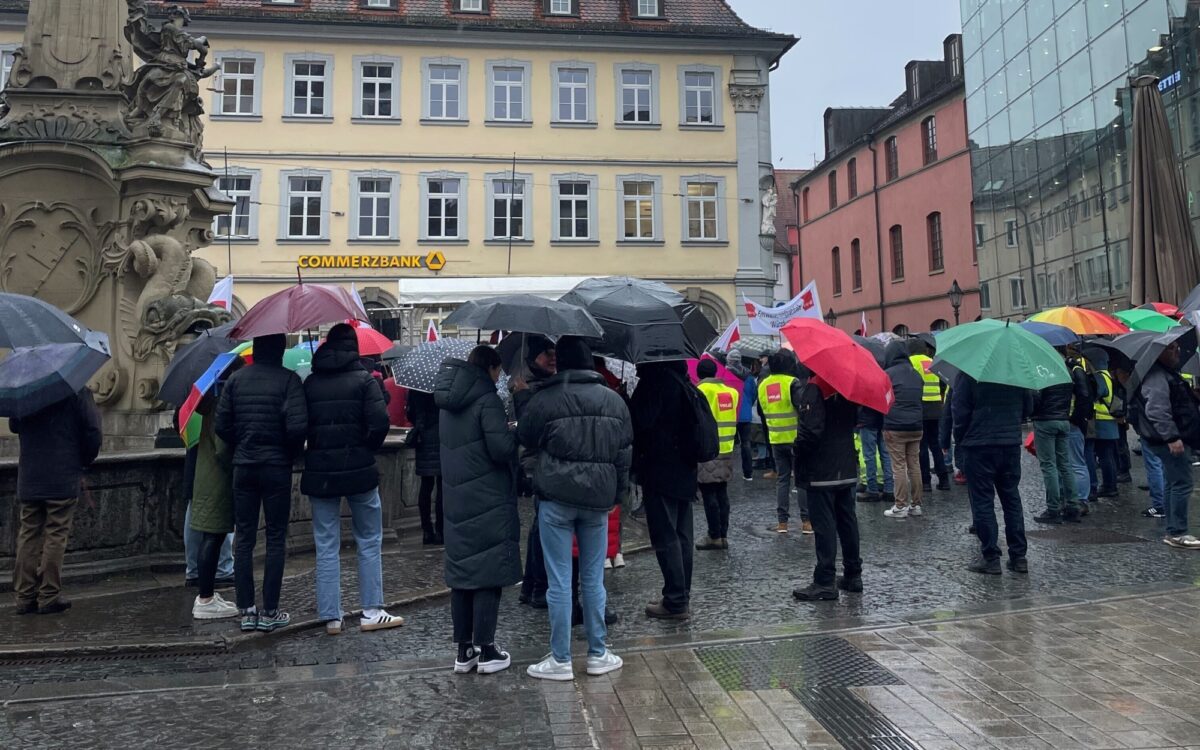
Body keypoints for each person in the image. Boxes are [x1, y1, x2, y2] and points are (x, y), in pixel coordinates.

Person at [519, 336, 631, 680]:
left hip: (556, 498)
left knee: (559, 581)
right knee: (593, 578)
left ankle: (561, 658)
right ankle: (598, 653)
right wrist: (618, 494)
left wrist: (535, 478)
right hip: (598, 501)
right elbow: (624, 454)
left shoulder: (545, 399)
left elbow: (525, 438)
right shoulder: (614, 402)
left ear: (561, 362)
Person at [302, 324, 402, 636]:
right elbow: (380, 422)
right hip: (359, 469)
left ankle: (332, 616)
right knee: (369, 539)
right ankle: (372, 610)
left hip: (321, 472)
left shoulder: (311, 383)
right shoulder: (363, 380)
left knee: (326, 543)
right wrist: (365, 448)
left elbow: (301, 425)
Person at [436, 345, 520, 674]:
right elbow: (500, 450)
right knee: (487, 573)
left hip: (456, 497)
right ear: (490, 369)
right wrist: (513, 431)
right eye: (498, 372)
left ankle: (463, 651)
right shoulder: (487, 401)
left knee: (462, 574)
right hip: (487, 496)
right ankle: (486, 650)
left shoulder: (446, 404)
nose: (499, 378)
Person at [216, 333, 308, 633]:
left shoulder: (236, 380)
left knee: (243, 537)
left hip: (244, 465)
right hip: (276, 467)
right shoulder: (289, 381)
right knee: (276, 538)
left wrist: (242, 443)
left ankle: (247, 609)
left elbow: (222, 425)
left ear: (256, 350)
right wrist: (289, 454)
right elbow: (297, 428)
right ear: (281, 350)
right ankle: (270, 610)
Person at [10, 388, 102, 615]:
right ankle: (49, 595)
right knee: (56, 534)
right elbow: (93, 432)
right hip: (62, 475)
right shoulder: (77, 390)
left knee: (28, 534)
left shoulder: (27, 390)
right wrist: (82, 460)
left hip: (30, 475)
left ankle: (24, 596)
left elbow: (14, 424)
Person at [632, 359, 708, 619]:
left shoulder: (655, 384)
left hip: (660, 470)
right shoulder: (685, 383)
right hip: (685, 470)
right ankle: (681, 595)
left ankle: (675, 601)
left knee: (666, 536)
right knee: (682, 535)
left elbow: (642, 424)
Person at [790, 376, 863, 601]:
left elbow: (811, 430)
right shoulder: (848, 385)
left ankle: (824, 580)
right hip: (846, 463)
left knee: (824, 524)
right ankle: (853, 574)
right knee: (847, 519)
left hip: (822, 468)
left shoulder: (816, 387)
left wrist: (797, 450)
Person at [953, 373, 1033, 574]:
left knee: (982, 501)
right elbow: (1029, 407)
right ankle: (1019, 556)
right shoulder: (1015, 374)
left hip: (979, 445)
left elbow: (960, 412)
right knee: (1011, 498)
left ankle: (991, 557)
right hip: (1009, 443)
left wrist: (961, 439)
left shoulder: (969, 374)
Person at [1128, 341, 1200, 549]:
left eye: (1177, 347)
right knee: (1181, 483)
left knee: (1172, 482)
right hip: (1169, 438)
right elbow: (1157, 409)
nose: (1176, 351)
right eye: (1170, 348)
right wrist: (1171, 437)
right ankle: (1177, 532)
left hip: (1173, 436)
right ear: (1158, 353)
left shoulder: (1166, 372)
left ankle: (1173, 529)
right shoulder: (1157, 375)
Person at [513, 335, 556, 608]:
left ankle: (531, 586)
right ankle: (539, 588)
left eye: (554, 352)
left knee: (539, 527)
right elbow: (530, 431)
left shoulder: (546, 382)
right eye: (546, 353)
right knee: (543, 529)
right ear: (533, 358)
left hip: (544, 463)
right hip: (538, 463)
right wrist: (523, 396)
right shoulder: (525, 385)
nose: (552, 357)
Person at [189, 394, 239, 620]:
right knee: (212, 537)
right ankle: (205, 599)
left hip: (207, 478)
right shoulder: (221, 404)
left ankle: (207, 594)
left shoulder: (211, 402)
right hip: (217, 481)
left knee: (212, 536)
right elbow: (222, 447)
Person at [758, 351, 811, 534]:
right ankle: (806, 521)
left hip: (775, 438)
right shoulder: (792, 383)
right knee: (801, 479)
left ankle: (782, 523)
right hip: (795, 438)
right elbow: (802, 408)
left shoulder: (763, 385)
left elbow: (762, 411)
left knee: (782, 480)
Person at [695, 359, 739, 551]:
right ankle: (723, 534)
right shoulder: (732, 392)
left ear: (699, 374)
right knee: (722, 491)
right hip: (727, 447)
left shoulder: (700, 391)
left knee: (708, 492)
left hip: (707, 448)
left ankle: (714, 535)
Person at [1031, 350, 1079, 524]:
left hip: (1045, 422)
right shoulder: (1066, 372)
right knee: (1065, 464)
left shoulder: (1043, 373)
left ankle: (1053, 509)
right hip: (1063, 420)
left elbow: (1036, 399)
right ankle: (1073, 506)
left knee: (1048, 465)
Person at [882, 341, 925, 518]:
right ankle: (916, 505)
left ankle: (900, 505)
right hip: (916, 426)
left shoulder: (888, 375)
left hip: (895, 426)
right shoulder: (915, 374)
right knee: (914, 465)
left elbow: (883, 398)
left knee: (898, 466)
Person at [909, 339, 950, 493]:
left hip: (920, 407)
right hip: (935, 407)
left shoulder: (911, 362)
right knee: (935, 444)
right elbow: (943, 384)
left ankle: (925, 482)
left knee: (922, 446)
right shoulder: (931, 362)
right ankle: (944, 479)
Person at [406, 388, 444, 546]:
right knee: (442, 487)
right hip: (443, 437)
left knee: (426, 485)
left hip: (424, 437)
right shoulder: (444, 383)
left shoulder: (416, 386)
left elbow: (410, 413)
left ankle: (427, 531)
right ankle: (441, 531)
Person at [1065, 348, 1095, 516]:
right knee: (1071, 463)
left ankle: (1082, 500)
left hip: (1073, 422)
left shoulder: (1076, 370)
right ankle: (1074, 499)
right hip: (1071, 421)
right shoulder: (1076, 369)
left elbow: (1084, 396)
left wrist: (1076, 418)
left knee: (1076, 462)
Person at [727, 348, 757, 482]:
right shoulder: (749, 376)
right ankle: (748, 473)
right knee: (746, 444)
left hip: (730, 413)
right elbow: (753, 394)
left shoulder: (726, 374)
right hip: (745, 414)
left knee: (729, 445)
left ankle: (727, 472)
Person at [1092, 364, 1120, 498]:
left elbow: (1097, 393)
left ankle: (1109, 486)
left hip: (1102, 420)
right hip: (1111, 420)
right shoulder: (1108, 374)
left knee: (1104, 456)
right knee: (1109, 455)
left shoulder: (1099, 376)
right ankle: (1111, 484)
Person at [856, 406, 893, 504]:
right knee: (886, 456)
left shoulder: (864, 390)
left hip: (867, 421)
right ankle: (889, 490)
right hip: (884, 421)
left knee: (869, 456)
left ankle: (872, 490)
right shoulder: (884, 389)